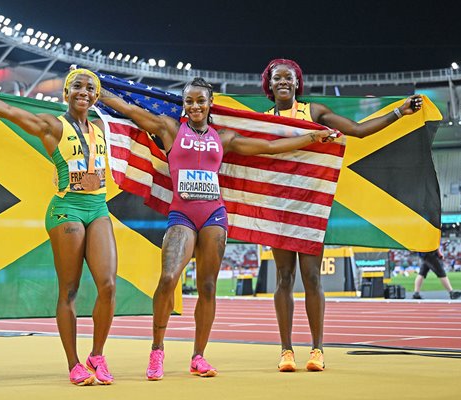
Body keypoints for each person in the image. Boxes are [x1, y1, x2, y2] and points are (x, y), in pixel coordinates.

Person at [99, 77, 334, 380]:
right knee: (169, 277)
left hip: (214, 217)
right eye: (189, 101)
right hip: (182, 216)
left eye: (200, 100)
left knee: (208, 287)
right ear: (183, 104)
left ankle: (199, 356)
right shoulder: (170, 129)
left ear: (210, 103)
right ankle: (157, 350)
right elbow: (130, 110)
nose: (194, 106)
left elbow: (270, 147)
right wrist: (98, 91)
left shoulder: (222, 138)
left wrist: (312, 139)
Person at [0, 67, 117, 386]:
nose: (84, 92)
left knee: (108, 286)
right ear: (65, 92)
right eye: (77, 86)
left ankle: (97, 355)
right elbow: (8, 111)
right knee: (70, 289)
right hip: (67, 209)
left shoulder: (104, 128)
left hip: (97, 207)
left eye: (91, 88)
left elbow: (143, 122)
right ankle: (74, 363)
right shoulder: (52, 125)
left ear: (96, 95)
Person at [261, 58, 424, 372]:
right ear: (269, 84)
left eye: (289, 78)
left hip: (311, 205)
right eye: (277, 78)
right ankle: (286, 351)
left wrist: (399, 111)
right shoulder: (263, 120)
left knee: (311, 277)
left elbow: (359, 131)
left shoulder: (315, 112)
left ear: (298, 83)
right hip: (278, 206)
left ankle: (317, 350)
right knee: (283, 278)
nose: (283, 82)